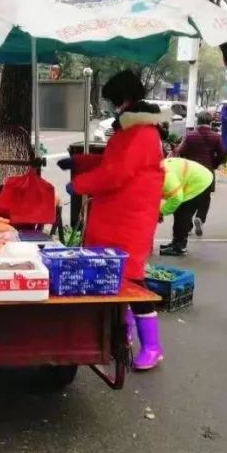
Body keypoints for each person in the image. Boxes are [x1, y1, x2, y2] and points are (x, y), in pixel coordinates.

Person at [68, 70, 167, 371]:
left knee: (132, 282)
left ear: (123, 99)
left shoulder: (141, 133)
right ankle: (120, 339)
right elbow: (112, 162)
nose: (111, 106)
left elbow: (115, 174)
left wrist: (80, 184)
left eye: (112, 100)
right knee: (115, 280)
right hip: (117, 216)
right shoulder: (132, 130)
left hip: (128, 220)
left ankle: (152, 346)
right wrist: (80, 162)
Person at [172, 111, 227, 237]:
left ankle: (188, 226)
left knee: (189, 198)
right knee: (205, 198)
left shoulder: (190, 136)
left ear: (198, 122)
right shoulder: (215, 137)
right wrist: (214, 164)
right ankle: (200, 218)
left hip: (191, 172)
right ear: (210, 122)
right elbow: (223, 153)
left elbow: (181, 152)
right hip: (207, 171)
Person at [158, 157, 215, 256]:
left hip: (199, 183)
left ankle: (179, 246)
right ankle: (176, 242)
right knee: (180, 211)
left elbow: (177, 198)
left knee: (182, 211)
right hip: (200, 177)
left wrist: (161, 212)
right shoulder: (159, 172)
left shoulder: (166, 178)